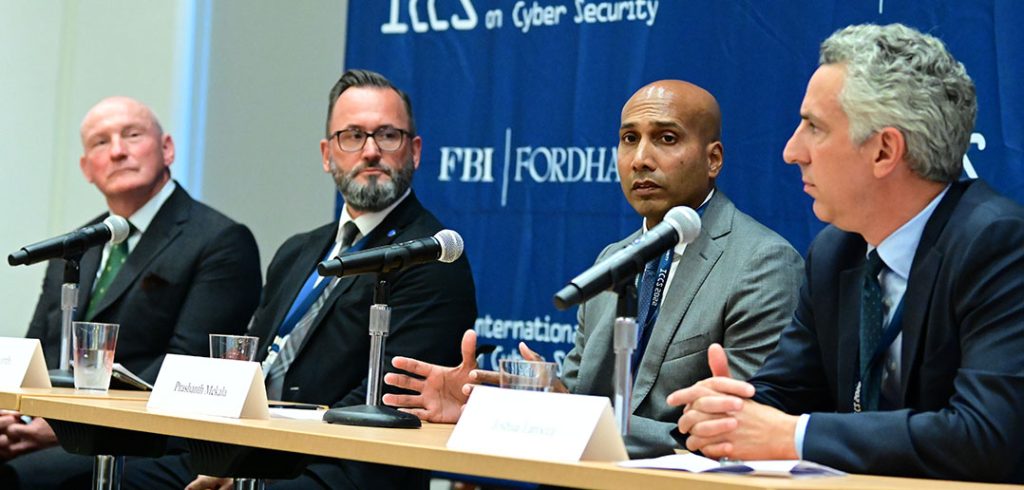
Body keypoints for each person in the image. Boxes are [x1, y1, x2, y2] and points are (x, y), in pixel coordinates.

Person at [669, 23, 1024, 483]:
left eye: (813, 127)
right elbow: (787, 391)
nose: (791, 151)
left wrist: (794, 436)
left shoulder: (998, 246)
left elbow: (987, 437)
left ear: (883, 151)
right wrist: (730, 411)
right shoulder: (837, 252)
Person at [383, 80, 803, 457]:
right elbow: (575, 392)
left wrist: (574, 413)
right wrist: (489, 405)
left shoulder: (760, 262)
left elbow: (743, 425)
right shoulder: (612, 263)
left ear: (713, 159)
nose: (640, 159)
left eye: (666, 138)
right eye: (628, 139)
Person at [125, 70, 478, 489]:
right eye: (352, 136)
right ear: (327, 154)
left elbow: (384, 397)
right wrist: (228, 457)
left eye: (388, 135)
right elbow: (256, 358)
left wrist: (248, 462)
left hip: (339, 463)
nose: (370, 151)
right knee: (106, 476)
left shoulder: (430, 255)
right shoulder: (299, 249)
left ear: (415, 152)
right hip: (248, 448)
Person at [0, 96, 263, 487]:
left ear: (167, 148)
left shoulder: (220, 241)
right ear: (87, 168)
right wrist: (12, 417)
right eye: (101, 142)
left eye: (132, 135)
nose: (118, 151)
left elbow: (189, 367)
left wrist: (71, 425)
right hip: (54, 432)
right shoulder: (74, 247)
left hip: (150, 442)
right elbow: (37, 347)